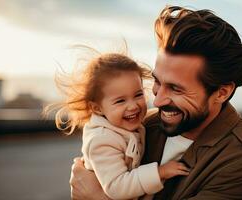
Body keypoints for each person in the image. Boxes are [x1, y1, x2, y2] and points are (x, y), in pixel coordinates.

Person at [70, 6, 242, 200]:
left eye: (176, 89)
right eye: (157, 82)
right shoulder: (143, 125)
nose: (157, 101)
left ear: (221, 92)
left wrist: (96, 197)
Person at [52, 51, 191, 200]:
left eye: (138, 95)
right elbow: (117, 187)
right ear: (97, 108)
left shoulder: (127, 127)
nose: (133, 106)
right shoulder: (102, 140)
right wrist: (160, 172)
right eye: (120, 101)